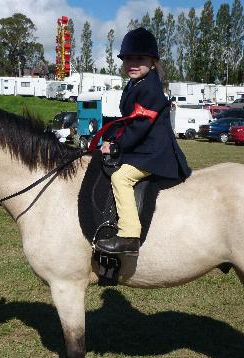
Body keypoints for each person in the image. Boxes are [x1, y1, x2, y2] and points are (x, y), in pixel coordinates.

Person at [95, 28, 191, 255]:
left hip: (154, 153)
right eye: (128, 58)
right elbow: (128, 121)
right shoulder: (134, 84)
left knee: (121, 178)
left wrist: (116, 145)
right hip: (142, 147)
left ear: (152, 61)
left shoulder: (150, 88)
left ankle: (128, 236)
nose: (133, 63)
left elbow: (139, 127)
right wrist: (107, 138)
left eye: (140, 58)